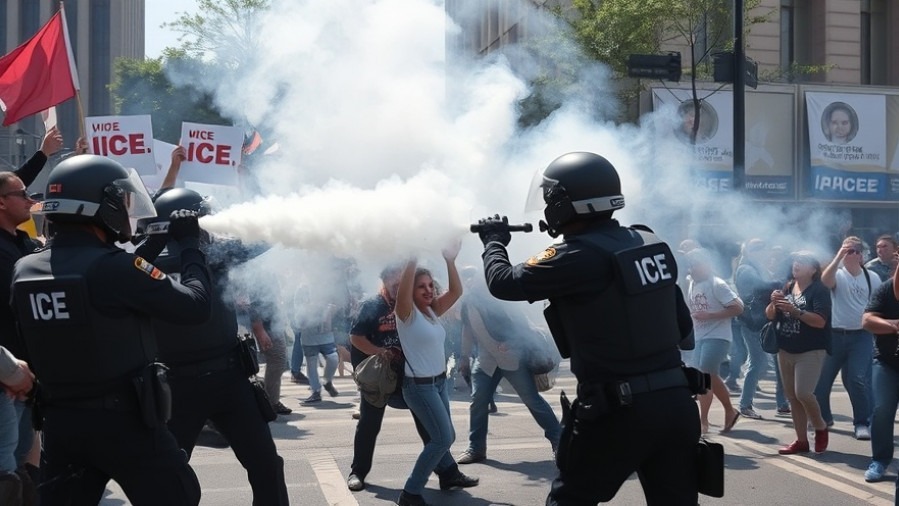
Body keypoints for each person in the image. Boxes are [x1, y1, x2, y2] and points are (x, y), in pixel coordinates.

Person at [477, 152, 702, 505]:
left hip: (617, 411)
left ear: (566, 204)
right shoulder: (648, 242)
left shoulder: (575, 255)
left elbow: (503, 282)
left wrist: (493, 241)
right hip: (676, 402)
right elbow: (683, 331)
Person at [11, 154, 211, 505]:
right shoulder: (113, 267)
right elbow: (194, 306)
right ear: (99, 205)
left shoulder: (25, 269)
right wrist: (191, 247)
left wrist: (154, 243)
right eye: (121, 199)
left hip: (61, 423)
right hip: (127, 423)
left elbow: (102, 286)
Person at [134, 188, 289, 505]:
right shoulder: (204, 254)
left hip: (206, 381)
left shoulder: (144, 260)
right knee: (265, 466)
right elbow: (261, 241)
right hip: (200, 383)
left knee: (169, 476)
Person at [346, 265, 476, 497]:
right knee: (369, 424)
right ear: (384, 281)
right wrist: (378, 351)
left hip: (412, 375)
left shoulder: (416, 307)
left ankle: (448, 472)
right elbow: (355, 338)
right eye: (396, 284)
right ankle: (358, 472)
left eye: (403, 283)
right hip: (382, 378)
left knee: (431, 427)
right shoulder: (372, 306)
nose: (400, 288)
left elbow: (452, 296)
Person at [0, 125, 64, 495]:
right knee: (6, 473)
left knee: (24, 468)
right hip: (5, 376)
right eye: (21, 196)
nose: (30, 200)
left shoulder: (25, 243)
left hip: (26, 372)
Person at [394, 245, 478, 506]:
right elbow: (404, 293)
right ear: (411, 291)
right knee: (444, 437)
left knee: (440, 437)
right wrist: (412, 258)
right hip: (420, 387)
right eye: (422, 287)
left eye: (431, 285)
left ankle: (447, 476)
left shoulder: (431, 311)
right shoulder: (406, 314)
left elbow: (456, 291)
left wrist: (450, 260)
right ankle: (410, 493)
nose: (429, 290)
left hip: (439, 384)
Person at [455, 265, 561, 465]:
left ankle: (559, 441)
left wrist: (512, 343)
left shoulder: (500, 298)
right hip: (485, 361)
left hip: (512, 358)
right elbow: (467, 331)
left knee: (532, 399)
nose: (469, 282)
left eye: (472, 277)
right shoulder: (468, 302)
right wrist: (464, 357)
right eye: (466, 278)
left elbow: (523, 326)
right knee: (478, 401)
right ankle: (476, 448)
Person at [765, 251, 832, 455]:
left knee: (803, 392)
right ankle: (801, 441)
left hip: (810, 349)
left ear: (813, 269)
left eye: (802, 262)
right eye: (795, 260)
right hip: (785, 348)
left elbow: (820, 321)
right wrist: (773, 302)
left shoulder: (819, 290)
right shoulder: (787, 286)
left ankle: (820, 426)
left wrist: (796, 312)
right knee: (792, 397)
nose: (796, 264)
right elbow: (769, 316)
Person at [814, 236, 880, 440]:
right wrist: (838, 256)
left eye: (853, 251)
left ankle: (862, 422)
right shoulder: (838, 274)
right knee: (822, 383)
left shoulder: (872, 277)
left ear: (860, 255)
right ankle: (824, 418)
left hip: (861, 336)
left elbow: (878, 305)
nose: (849, 254)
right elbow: (825, 281)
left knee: (857, 379)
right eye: (845, 250)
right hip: (835, 335)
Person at [684, 249, 743, 435]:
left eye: (695, 264)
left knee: (707, 373)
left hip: (718, 336)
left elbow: (738, 307)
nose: (691, 268)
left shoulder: (717, 284)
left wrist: (710, 315)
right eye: (690, 265)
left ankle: (705, 421)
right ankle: (726, 412)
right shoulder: (691, 282)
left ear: (707, 265)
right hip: (699, 337)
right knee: (704, 378)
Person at [861, 260, 899, 483]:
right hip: (886, 362)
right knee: (882, 409)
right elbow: (867, 320)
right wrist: (894, 325)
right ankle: (880, 460)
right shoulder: (886, 289)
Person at [731, 238, 774, 419]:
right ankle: (745, 405)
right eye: (757, 248)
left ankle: (746, 403)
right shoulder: (747, 269)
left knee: (760, 362)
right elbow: (760, 287)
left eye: (763, 247)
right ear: (748, 251)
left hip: (758, 321)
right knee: (758, 363)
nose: (762, 251)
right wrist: (781, 283)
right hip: (752, 322)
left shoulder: (758, 267)